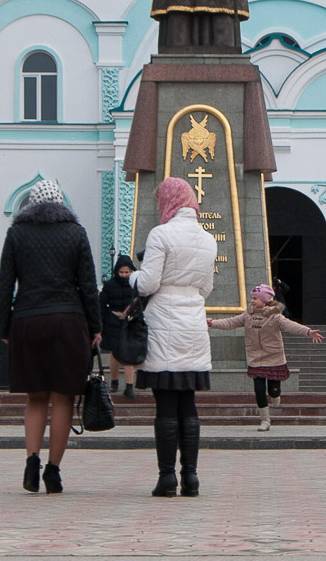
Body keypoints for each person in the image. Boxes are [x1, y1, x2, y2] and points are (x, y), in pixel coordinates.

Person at [0, 179, 101, 495]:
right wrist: (95, 327)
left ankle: (31, 461)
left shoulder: (16, 234)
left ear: (30, 204)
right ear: (61, 204)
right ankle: (53, 471)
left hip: (27, 320)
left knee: (35, 397)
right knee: (63, 396)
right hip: (68, 322)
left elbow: (5, 285)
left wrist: (4, 328)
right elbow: (88, 284)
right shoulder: (75, 233)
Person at [129, 176, 216, 497]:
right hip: (193, 323)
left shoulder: (160, 235)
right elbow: (206, 287)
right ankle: (191, 478)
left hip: (164, 323)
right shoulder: (209, 240)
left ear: (168, 201)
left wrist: (131, 278)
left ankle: (167, 478)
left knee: (165, 406)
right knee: (188, 405)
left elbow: (148, 283)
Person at [208, 283, 323, 431]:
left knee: (273, 390)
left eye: (256, 298)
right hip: (255, 357)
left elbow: (290, 325)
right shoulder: (247, 315)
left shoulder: (275, 317)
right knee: (259, 389)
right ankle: (265, 420)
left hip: (273, 356)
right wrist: (213, 323)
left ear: (265, 300)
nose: (253, 301)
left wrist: (308, 332)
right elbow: (230, 322)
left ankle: (276, 395)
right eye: (252, 298)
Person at [99, 254, 137, 397]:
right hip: (113, 321)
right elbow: (101, 303)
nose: (124, 275)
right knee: (114, 353)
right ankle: (114, 382)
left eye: (127, 272)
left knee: (128, 354)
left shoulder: (134, 284)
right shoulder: (109, 285)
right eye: (121, 272)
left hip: (129, 321)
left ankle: (129, 386)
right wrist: (105, 318)